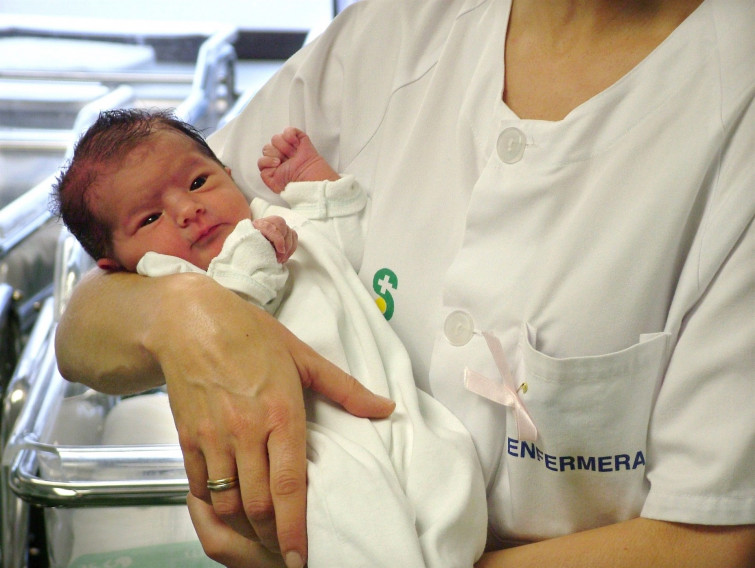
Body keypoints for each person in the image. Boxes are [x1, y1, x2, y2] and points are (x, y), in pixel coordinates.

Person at [54, 1, 755, 567]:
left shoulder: (730, 103)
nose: (188, 206)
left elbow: (711, 537)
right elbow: (86, 327)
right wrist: (185, 323)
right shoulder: (389, 35)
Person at [52, 108, 487, 567]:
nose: (187, 210)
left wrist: (315, 184)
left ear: (229, 173)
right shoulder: (169, 276)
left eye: (198, 182)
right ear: (115, 265)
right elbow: (235, 308)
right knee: (343, 517)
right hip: (310, 443)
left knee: (450, 480)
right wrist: (258, 247)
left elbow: (349, 244)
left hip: (399, 410)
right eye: (150, 218)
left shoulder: (278, 220)